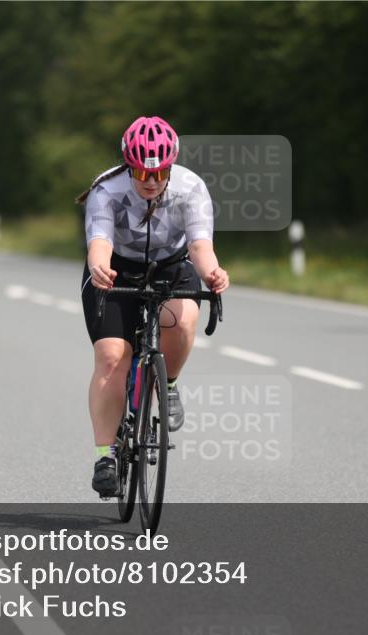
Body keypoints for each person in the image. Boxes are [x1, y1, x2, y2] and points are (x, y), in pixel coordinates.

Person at [77, 116, 229, 497]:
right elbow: (99, 240)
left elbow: (199, 246)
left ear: (170, 167)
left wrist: (212, 273)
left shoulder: (191, 188)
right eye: (142, 171)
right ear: (129, 165)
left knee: (183, 321)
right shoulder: (106, 190)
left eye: (159, 172)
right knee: (112, 357)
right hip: (117, 269)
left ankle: (170, 384)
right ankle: (105, 455)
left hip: (172, 265)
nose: (150, 180)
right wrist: (98, 267)